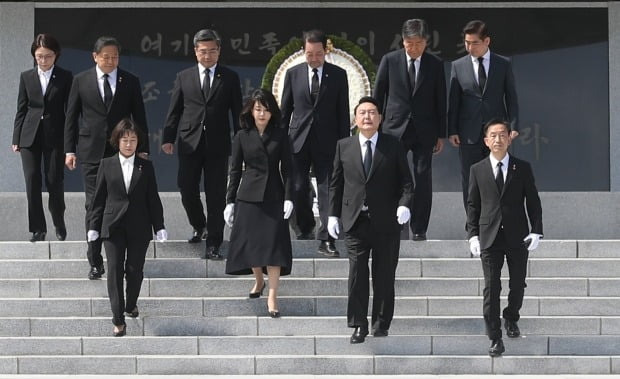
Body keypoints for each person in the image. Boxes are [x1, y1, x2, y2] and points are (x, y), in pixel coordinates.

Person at [328, 96, 413, 344]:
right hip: (355, 221)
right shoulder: (344, 146)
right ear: (355, 119)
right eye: (362, 113)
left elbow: (407, 183)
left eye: (372, 112)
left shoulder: (393, 145)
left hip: (386, 222)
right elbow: (336, 184)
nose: (367, 117)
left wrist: (404, 206)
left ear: (380, 118)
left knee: (384, 274)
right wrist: (332, 215)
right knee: (357, 274)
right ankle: (358, 325)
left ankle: (381, 323)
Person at [64, 36, 149, 280]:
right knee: (94, 205)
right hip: (91, 153)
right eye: (106, 57)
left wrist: (142, 148)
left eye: (115, 57)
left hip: (121, 154)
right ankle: (94, 260)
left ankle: (118, 257)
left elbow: (139, 116)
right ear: (95, 56)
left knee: (122, 204)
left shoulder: (129, 81)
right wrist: (69, 150)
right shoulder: (81, 81)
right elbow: (71, 118)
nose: (111, 61)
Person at [162, 28, 242, 260]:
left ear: (219, 52)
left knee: (216, 194)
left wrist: (242, 142)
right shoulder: (183, 77)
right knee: (187, 188)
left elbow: (237, 112)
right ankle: (200, 225)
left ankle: (214, 243)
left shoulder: (229, 77)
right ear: (196, 52)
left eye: (212, 51)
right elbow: (174, 110)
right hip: (189, 142)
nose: (208, 56)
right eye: (203, 51)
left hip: (217, 144)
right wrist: (168, 138)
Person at [467, 119, 542, 357]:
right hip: (489, 237)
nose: (498, 139)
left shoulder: (522, 167)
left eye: (502, 135)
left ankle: (511, 316)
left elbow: (533, 200)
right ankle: (495, 337)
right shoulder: (477, 170)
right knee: (491, 287)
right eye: (493, 135)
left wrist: (536, 230)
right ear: (486, 141)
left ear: (510, 138)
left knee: (518, 284)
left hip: (516, 235)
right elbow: (473, 205)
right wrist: (472, 235)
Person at [87, 119, 167, 337]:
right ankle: (118, 320)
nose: (129, 144)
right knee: (113, 271)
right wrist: (93, 226)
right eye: (125, 140)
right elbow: (98, 199)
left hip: (139, 226)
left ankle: (131, 304)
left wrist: (159, 225)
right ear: (117, 141)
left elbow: (153, 198)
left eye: (133, 140)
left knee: (134, 271)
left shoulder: (146, 166)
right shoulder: (106, 164)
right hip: (112, 227)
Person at [373, 19, 447, 241]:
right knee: (392, 176)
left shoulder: (435, 64)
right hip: (394, 128)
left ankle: (419, 228)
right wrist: (375, 126)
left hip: (425, 130)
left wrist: (441, 134)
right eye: (409, 43)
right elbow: (379, 95)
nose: (413, 48)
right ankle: (392, 223)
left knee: (423, 177)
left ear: (426, 42)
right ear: (402, 41)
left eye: (418, 43)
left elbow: (440, 100)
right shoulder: (390, 61)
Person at [280, 29, 350, 257]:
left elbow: (343, 112)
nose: (314, 58)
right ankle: (305, 228)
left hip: (328, 142)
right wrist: (280, 141)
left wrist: (344, 145)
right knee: (298, 187)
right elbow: (285, 110)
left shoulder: (338, 75)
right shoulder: (293, 74)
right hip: (298, 141)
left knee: (328, 189)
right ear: (304, 51)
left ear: (325, 51)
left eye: (318, 54)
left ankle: (326, 238)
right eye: (310, 54)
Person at [224, 89, 293, 318]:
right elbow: (235, 170)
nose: (262, 114)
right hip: (249, 195)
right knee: (252, 245)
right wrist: (230, 201)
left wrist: (289, 197)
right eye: (258, 109)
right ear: (251, 111)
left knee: (273, 248)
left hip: (274, 194)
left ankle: (273, 296)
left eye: (266, 109)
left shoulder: (280, 135)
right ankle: (259, 280)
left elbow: (289, 170)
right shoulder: (242, 135)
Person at [448, 20, 519, 208]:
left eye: (475, 43)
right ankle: (472, 223)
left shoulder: (503, 64)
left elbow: (511, 97)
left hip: (496, 131)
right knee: (470, 179)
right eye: (467, 43)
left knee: (497, 175)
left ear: (487, 41)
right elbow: (454, 101)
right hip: (468, 132)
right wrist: (452, 130)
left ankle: (495, 218)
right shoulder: (458, 66)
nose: (470, 47)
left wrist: (513, 125)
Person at [12, 34, 72, 242]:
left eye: (47, 56)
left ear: (56, 55)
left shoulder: (66, 77)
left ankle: (58, 221)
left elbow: (70, 111)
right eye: (39, 56)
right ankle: (38, 228)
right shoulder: (26, 77)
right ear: (34, 56)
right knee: (32, 180)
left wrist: (70, 141)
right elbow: (21, 109)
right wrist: (16, 137)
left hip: (55, 136)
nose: (43, 60)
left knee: (54, 180)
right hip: (30, 135)